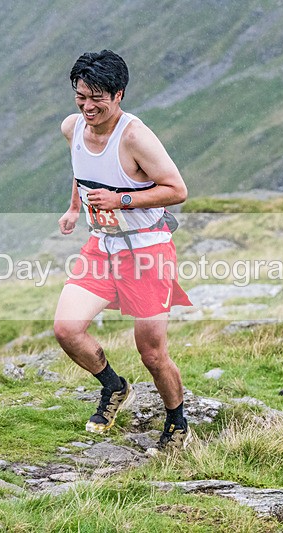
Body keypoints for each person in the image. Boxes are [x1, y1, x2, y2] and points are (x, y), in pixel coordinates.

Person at [53, 50, 193, 451]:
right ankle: (113, 386)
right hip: (103, 246)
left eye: (97, 97)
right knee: (66, 329)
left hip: (147, 250)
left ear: (119, 94)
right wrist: (75, 206)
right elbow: (82, 170)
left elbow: (177, 190)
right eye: (81, 96)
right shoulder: (72, 127)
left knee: (151, 352)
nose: (87, 106)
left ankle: (176, 420)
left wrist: (121, 200)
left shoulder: (134, 137)